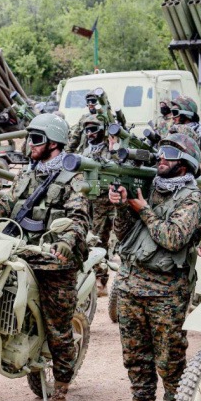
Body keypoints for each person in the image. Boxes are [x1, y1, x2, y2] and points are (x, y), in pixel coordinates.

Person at [0, 113, 91, 401]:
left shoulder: (74, 179)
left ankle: (61, 393)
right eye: (29, 138)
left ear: (54, 144)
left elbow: (79, 218)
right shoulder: (28, 173)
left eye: (37, 139)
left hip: (53, 262)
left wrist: (65, 242)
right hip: (17, 251)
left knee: (58, 328)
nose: (30, 144)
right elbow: (6, 203)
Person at [110, 133, 201, 401]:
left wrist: (142, 209)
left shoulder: (192, 199)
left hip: (166, 291)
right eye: (161, 152)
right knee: (135, 358)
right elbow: (122, 234)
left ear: (186, 163)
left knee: (170, 360)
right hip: (130, 284)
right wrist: (122, 207)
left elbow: (173, 239)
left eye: (170, 153)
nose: (162, 158)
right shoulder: (148, 188)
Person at [80, 115, 116, 296]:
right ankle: (88, 279)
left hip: (104, 204)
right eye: (87, 130)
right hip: (87, 202)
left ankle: (101, 281)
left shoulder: (110, 151)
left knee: (100, 241)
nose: (89, 133)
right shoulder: (86, 150)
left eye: (93, 129)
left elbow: (116, 169)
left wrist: (113, 147)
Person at [67, 88, 107, 153]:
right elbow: (75, 137)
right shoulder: (84, 119)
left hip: (103, 153)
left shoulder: (108, 119)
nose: (90, 104)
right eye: (88, 101)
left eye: (93, 101)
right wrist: (68, 152)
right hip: (86, 153)